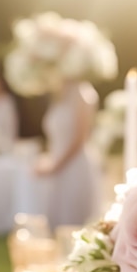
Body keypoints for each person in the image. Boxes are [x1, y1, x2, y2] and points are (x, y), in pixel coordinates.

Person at [34, 79, 98, 228]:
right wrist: (48, 161)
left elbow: (80, 138)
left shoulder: (83, 94)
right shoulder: (58, 97)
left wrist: (55, 166)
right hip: (57, 165)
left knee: (73, 223)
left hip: (75, 166)